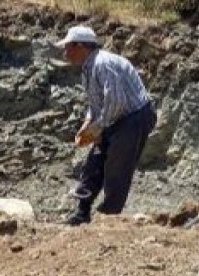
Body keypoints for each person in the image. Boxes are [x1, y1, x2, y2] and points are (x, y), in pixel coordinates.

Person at [58, 25, 157, 226]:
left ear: (80, 46)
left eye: (68, 47)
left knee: (117, 168)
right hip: (114, 118)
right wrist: (87, 125)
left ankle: (109, 218)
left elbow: (117, 101)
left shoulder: (103, 63)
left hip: (133, 117)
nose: (65, 52)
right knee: (93, 164)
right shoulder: (89, 67)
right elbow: (97, 103)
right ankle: (82, 212)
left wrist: (98, 127)